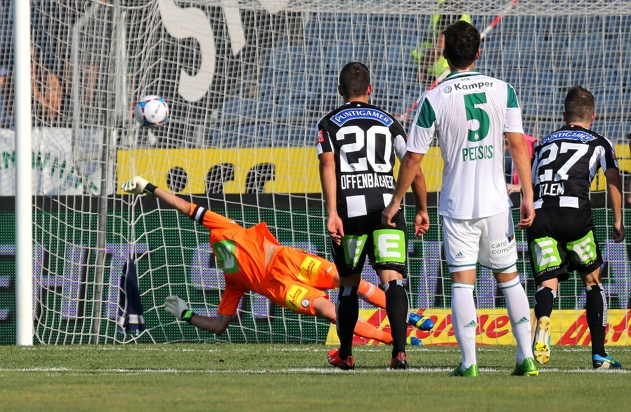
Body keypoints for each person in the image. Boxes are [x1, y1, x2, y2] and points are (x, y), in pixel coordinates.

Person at [382, 20, 538, 377]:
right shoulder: (504, 90)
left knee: (462, 283)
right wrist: (527, 194)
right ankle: (525, 357)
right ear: (478, 53)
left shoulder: (434, 97)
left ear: (444, 54)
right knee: (509, 278)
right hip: (497, 203)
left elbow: (413, 158)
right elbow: (517, 146)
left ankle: (469, 363)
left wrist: (397, 202)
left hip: (457, 206)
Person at [120, 176, 431, 345]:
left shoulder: (224, 231)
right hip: (280, 287)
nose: (221, 254)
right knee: (332, 309)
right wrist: (187, 314)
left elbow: (184, 207)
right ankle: (392, 339)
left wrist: (149, 187)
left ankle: (409, 319)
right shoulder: (233, 279)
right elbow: (219, 326)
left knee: (351, 282)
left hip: (289, 262)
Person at [316, 62, 426, 370]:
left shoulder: (329, 123)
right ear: (370, 89)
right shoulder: (390, 122)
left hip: (350, 213)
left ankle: (347, 353)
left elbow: (328, 166)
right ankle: (400, 353)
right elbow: (412, 165)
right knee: (393, 281)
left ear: (340, 91)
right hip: (386, 211)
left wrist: (333, 213)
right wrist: (421, 208)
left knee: (349, 285)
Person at [528, 86, 625, 370]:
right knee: (593, 282)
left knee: (548, 283)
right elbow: (613, 179)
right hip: (575, 215)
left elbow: (532, 181)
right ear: (592, 115)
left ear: (563, 114)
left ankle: (543, 322)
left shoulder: (543, 143)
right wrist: (618, 220)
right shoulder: (599, 142)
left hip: (541, 214)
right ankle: (598, 354)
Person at [411, 0, 471, 86]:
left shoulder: (452, 2)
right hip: (440, 72)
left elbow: (440, 44)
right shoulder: (444, 2)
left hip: (446, 73)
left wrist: (424, 65)